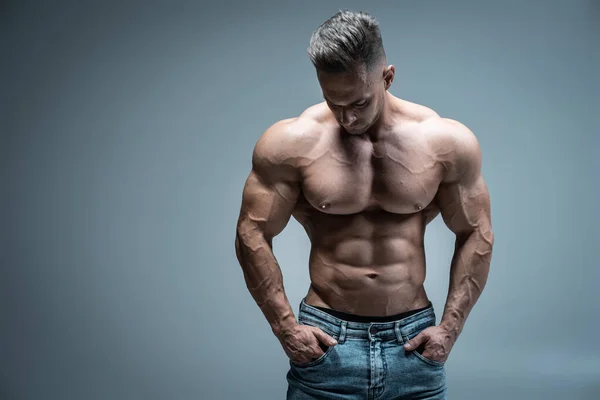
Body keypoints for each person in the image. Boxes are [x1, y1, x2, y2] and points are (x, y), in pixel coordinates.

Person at [235, 9, 494, 400]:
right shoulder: (292, 143)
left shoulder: (444, 143)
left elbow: (476, 231)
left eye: (359, 102)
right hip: (327, 345)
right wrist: (286, 328)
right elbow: (251, 231)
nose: (347, 117)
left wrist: (449, 329)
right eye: (333, 101)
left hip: (414, 346)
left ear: (387, 77)